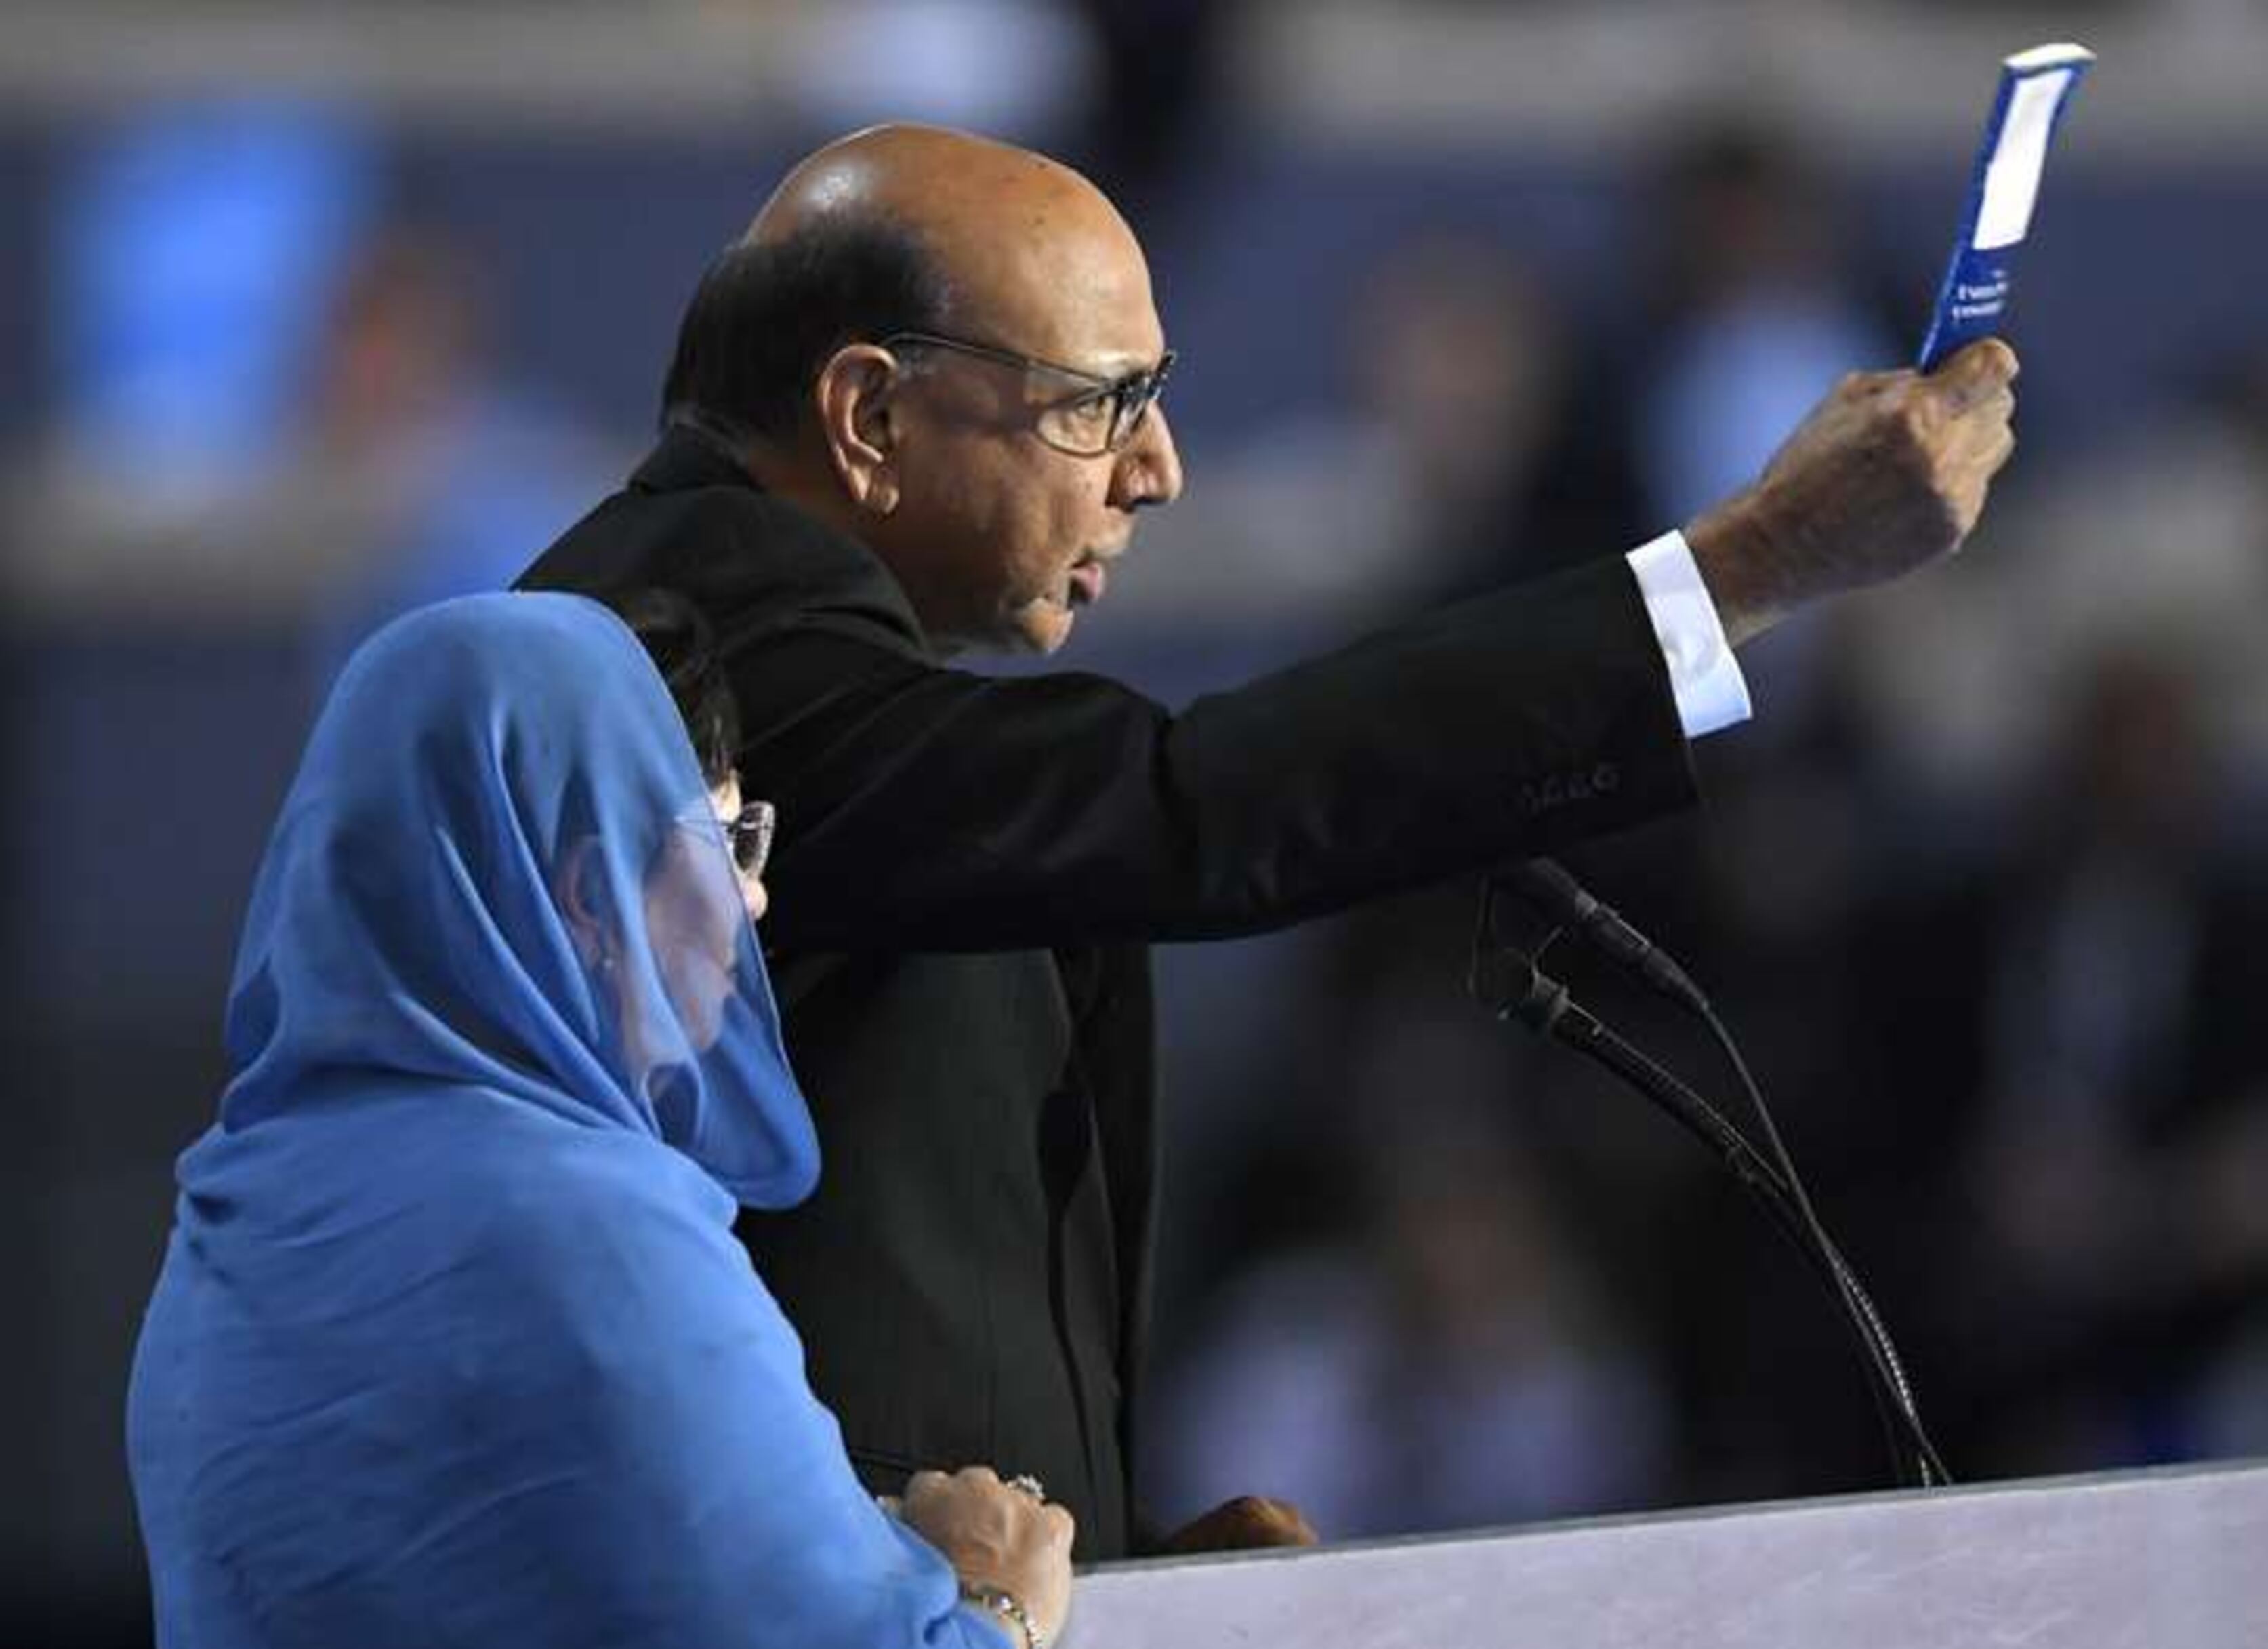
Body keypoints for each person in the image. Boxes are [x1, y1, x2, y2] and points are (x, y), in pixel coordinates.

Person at [518, 121, 2019, 1558]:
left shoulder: (789, 652)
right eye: (1099, 401)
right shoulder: (696, 642)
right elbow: (1194, 804)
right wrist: (1749, 563)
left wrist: (1116, 1561)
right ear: (870, 415)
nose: (1157, 466)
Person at [127, 590, 1075, 1648]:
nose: (753, 902)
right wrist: (1000, 1598)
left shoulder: (219, 1232)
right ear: (590, 893)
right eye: (722, 839)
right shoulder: (596, 1231)